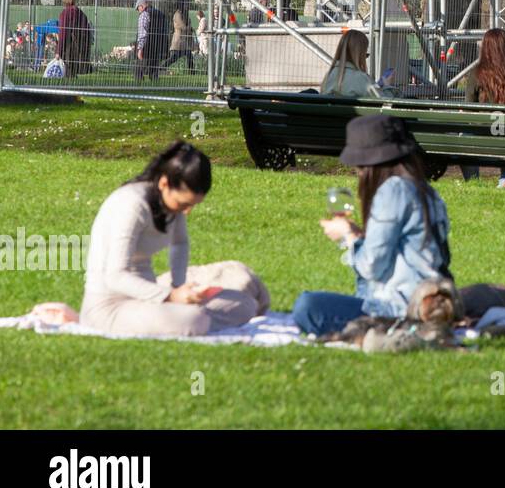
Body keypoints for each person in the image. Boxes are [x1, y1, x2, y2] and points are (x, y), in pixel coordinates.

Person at [292, 116, 452, 335]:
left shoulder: (392, 191)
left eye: (359, 166)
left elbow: (372, 266)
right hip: (431, 303)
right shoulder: (425, 190)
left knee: (307, 306)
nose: (358, 173)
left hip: (399, 309)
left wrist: (350, 236)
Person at [80, 142, 260, 335]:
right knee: (193, 319)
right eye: (184, 204)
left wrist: (179, 286)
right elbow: (115, 276)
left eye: (193, 205)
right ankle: (193, 322)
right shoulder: (132, 204)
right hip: (110, 307)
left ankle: (192, 321)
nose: (187, 211)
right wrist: (171, 296)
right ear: (164, 183)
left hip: (151, 298)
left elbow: (180, 243)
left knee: (246, 304)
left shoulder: (170, 205)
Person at [461, 27, 505, 189]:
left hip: (482, 138)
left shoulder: (476, 74)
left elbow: (467, 110)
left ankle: (472, 181)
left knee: (464, 135)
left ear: (485, 48)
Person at [320, 30, 383, 97]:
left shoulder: (328, 76)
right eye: (365, 54)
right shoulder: (361, 78)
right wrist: (387, 86)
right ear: (360, 54)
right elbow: (383, 99)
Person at [56, 0, 94, 78]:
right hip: (81, 47)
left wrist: (59, 51)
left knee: (68, 71)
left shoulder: (65, 13)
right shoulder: (81, 13)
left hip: (69, 47)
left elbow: (63, 33)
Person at [134, 0, 166, 81]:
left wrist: (140, 48)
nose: (138, 11)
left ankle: (138, 82)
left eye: (138, 8)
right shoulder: (160, 14)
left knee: (139, 66)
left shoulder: (144, 14)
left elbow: (142, 32)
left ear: (142, 6)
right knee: (154, 66)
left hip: (147, 44)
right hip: (158, 44)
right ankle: (154, 81)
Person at [160, 2, 197, 74]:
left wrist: (189, 28)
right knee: (174, 57)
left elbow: (188, 24)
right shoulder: (177, 15)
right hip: (178, 41)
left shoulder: (185, 14)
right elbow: (183, 26)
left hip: (185, 41)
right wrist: (189, 28)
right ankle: (162, 67)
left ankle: (192, 72)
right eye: (185, 5)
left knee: (189, 55)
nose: (187, 6)